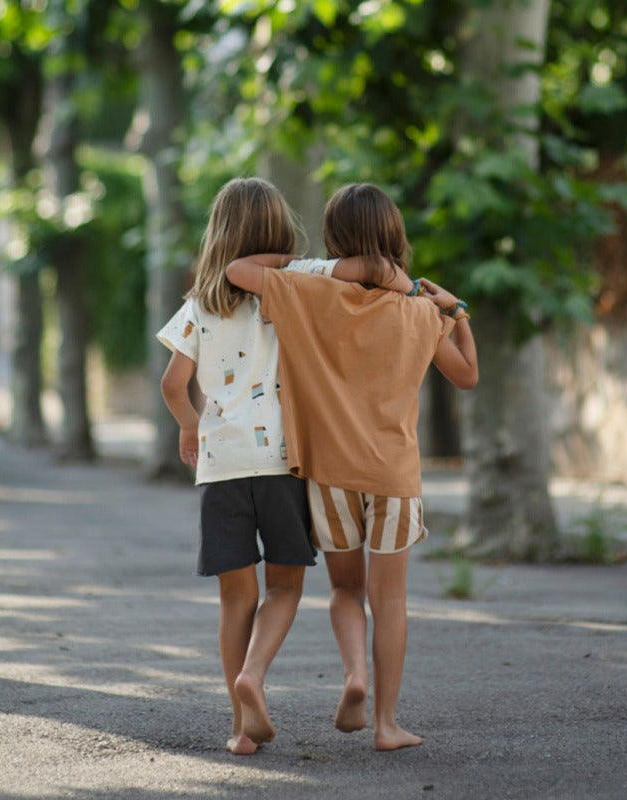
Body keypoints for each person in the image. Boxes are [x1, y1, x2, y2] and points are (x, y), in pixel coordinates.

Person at [226, 182, 478, 751]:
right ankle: (387, 724)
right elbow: (466, 375)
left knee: (345, 588)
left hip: (330, 474)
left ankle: (353, 676)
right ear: (395, 238)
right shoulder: (420, 311)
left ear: (336, 241)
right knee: (390, 600)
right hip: (394, 475)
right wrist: (455, 309)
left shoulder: (308, 292)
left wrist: (310, 264)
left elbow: (239, 269)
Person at [157, 177, 405, 755]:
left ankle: (241, 727)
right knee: (285, 588)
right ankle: (256, 672)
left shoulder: (199, 302)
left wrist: (190, 426)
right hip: (280, 462)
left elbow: (172, 384)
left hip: (220, 466)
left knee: (234, 598)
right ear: (277, 233)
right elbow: (367, 267)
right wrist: (302, 260)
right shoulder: (297, 282)